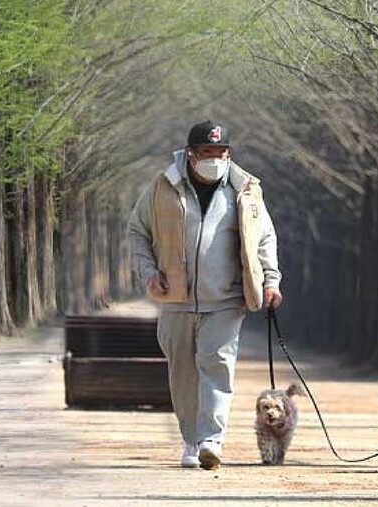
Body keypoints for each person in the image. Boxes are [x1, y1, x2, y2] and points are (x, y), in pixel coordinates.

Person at [127, 120, 283, 470]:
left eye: (221, 152)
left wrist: (270, 281)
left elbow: (265, 238)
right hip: (175, 299)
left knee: (216, 365)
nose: (215, 159)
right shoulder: (163, 186)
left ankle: (212, 440)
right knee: (183, 374)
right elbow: (137, 231)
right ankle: (191, 440)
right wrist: (149, 273)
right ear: (191, 154)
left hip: (226, 299)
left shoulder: (245, 190)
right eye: (207, 152)